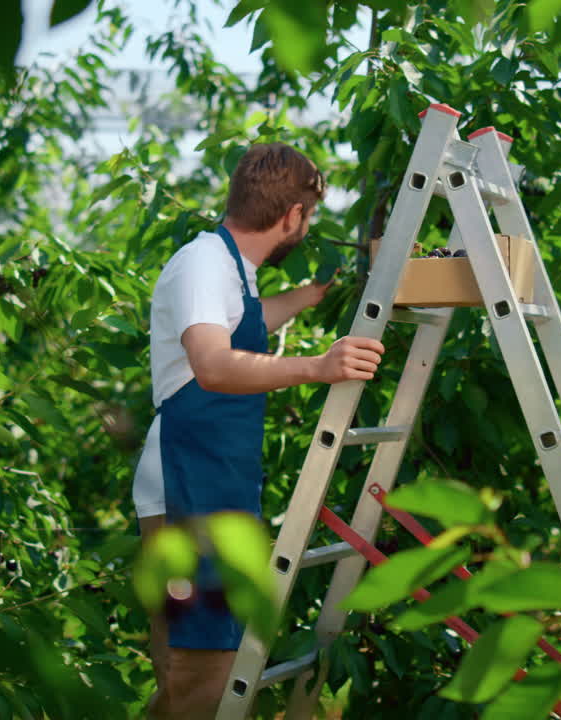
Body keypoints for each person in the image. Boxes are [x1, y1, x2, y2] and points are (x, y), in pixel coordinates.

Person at [132, 143, 386, 719]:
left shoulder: (231, 269)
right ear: (293, 215)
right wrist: (318, 366)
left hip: (214, 475)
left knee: (200, 673)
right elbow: (213, 364)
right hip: (186, 476)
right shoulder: (203, 263)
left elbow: (245, 323)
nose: (307, 225)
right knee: (200, 668)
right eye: (309, 215)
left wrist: (309, 296)